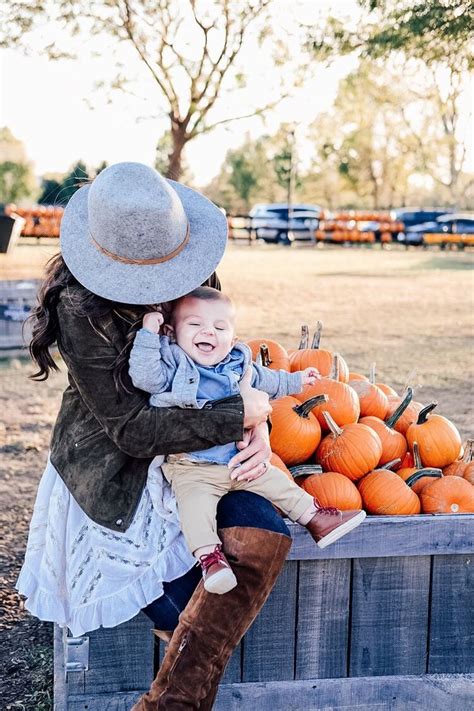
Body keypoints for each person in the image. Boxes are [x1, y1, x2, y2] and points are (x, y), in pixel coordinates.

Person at [16, 161, 293, 711]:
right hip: (116, 464)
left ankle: (164, 704)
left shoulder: (194, 269)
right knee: (185, 611)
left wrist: (259, 426)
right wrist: (237, 416)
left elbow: (225, 363)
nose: (164, 288)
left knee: (265, 532)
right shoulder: (81, 309)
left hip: (197, 455)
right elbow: (133, 429)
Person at [128, 287, 366, 594]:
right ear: (173, 333)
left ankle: (317, 519)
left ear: (233, 337)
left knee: (277, 483)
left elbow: (267, 379)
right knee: (194, 508)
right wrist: (149, 333)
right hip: (192, 466)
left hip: (237, 461)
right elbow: (144, 378)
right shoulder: (173, 364)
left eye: (219, 327)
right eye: (195, 325)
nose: (208, 333)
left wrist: (295, 381)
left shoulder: (237, 363)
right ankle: (210, 559)